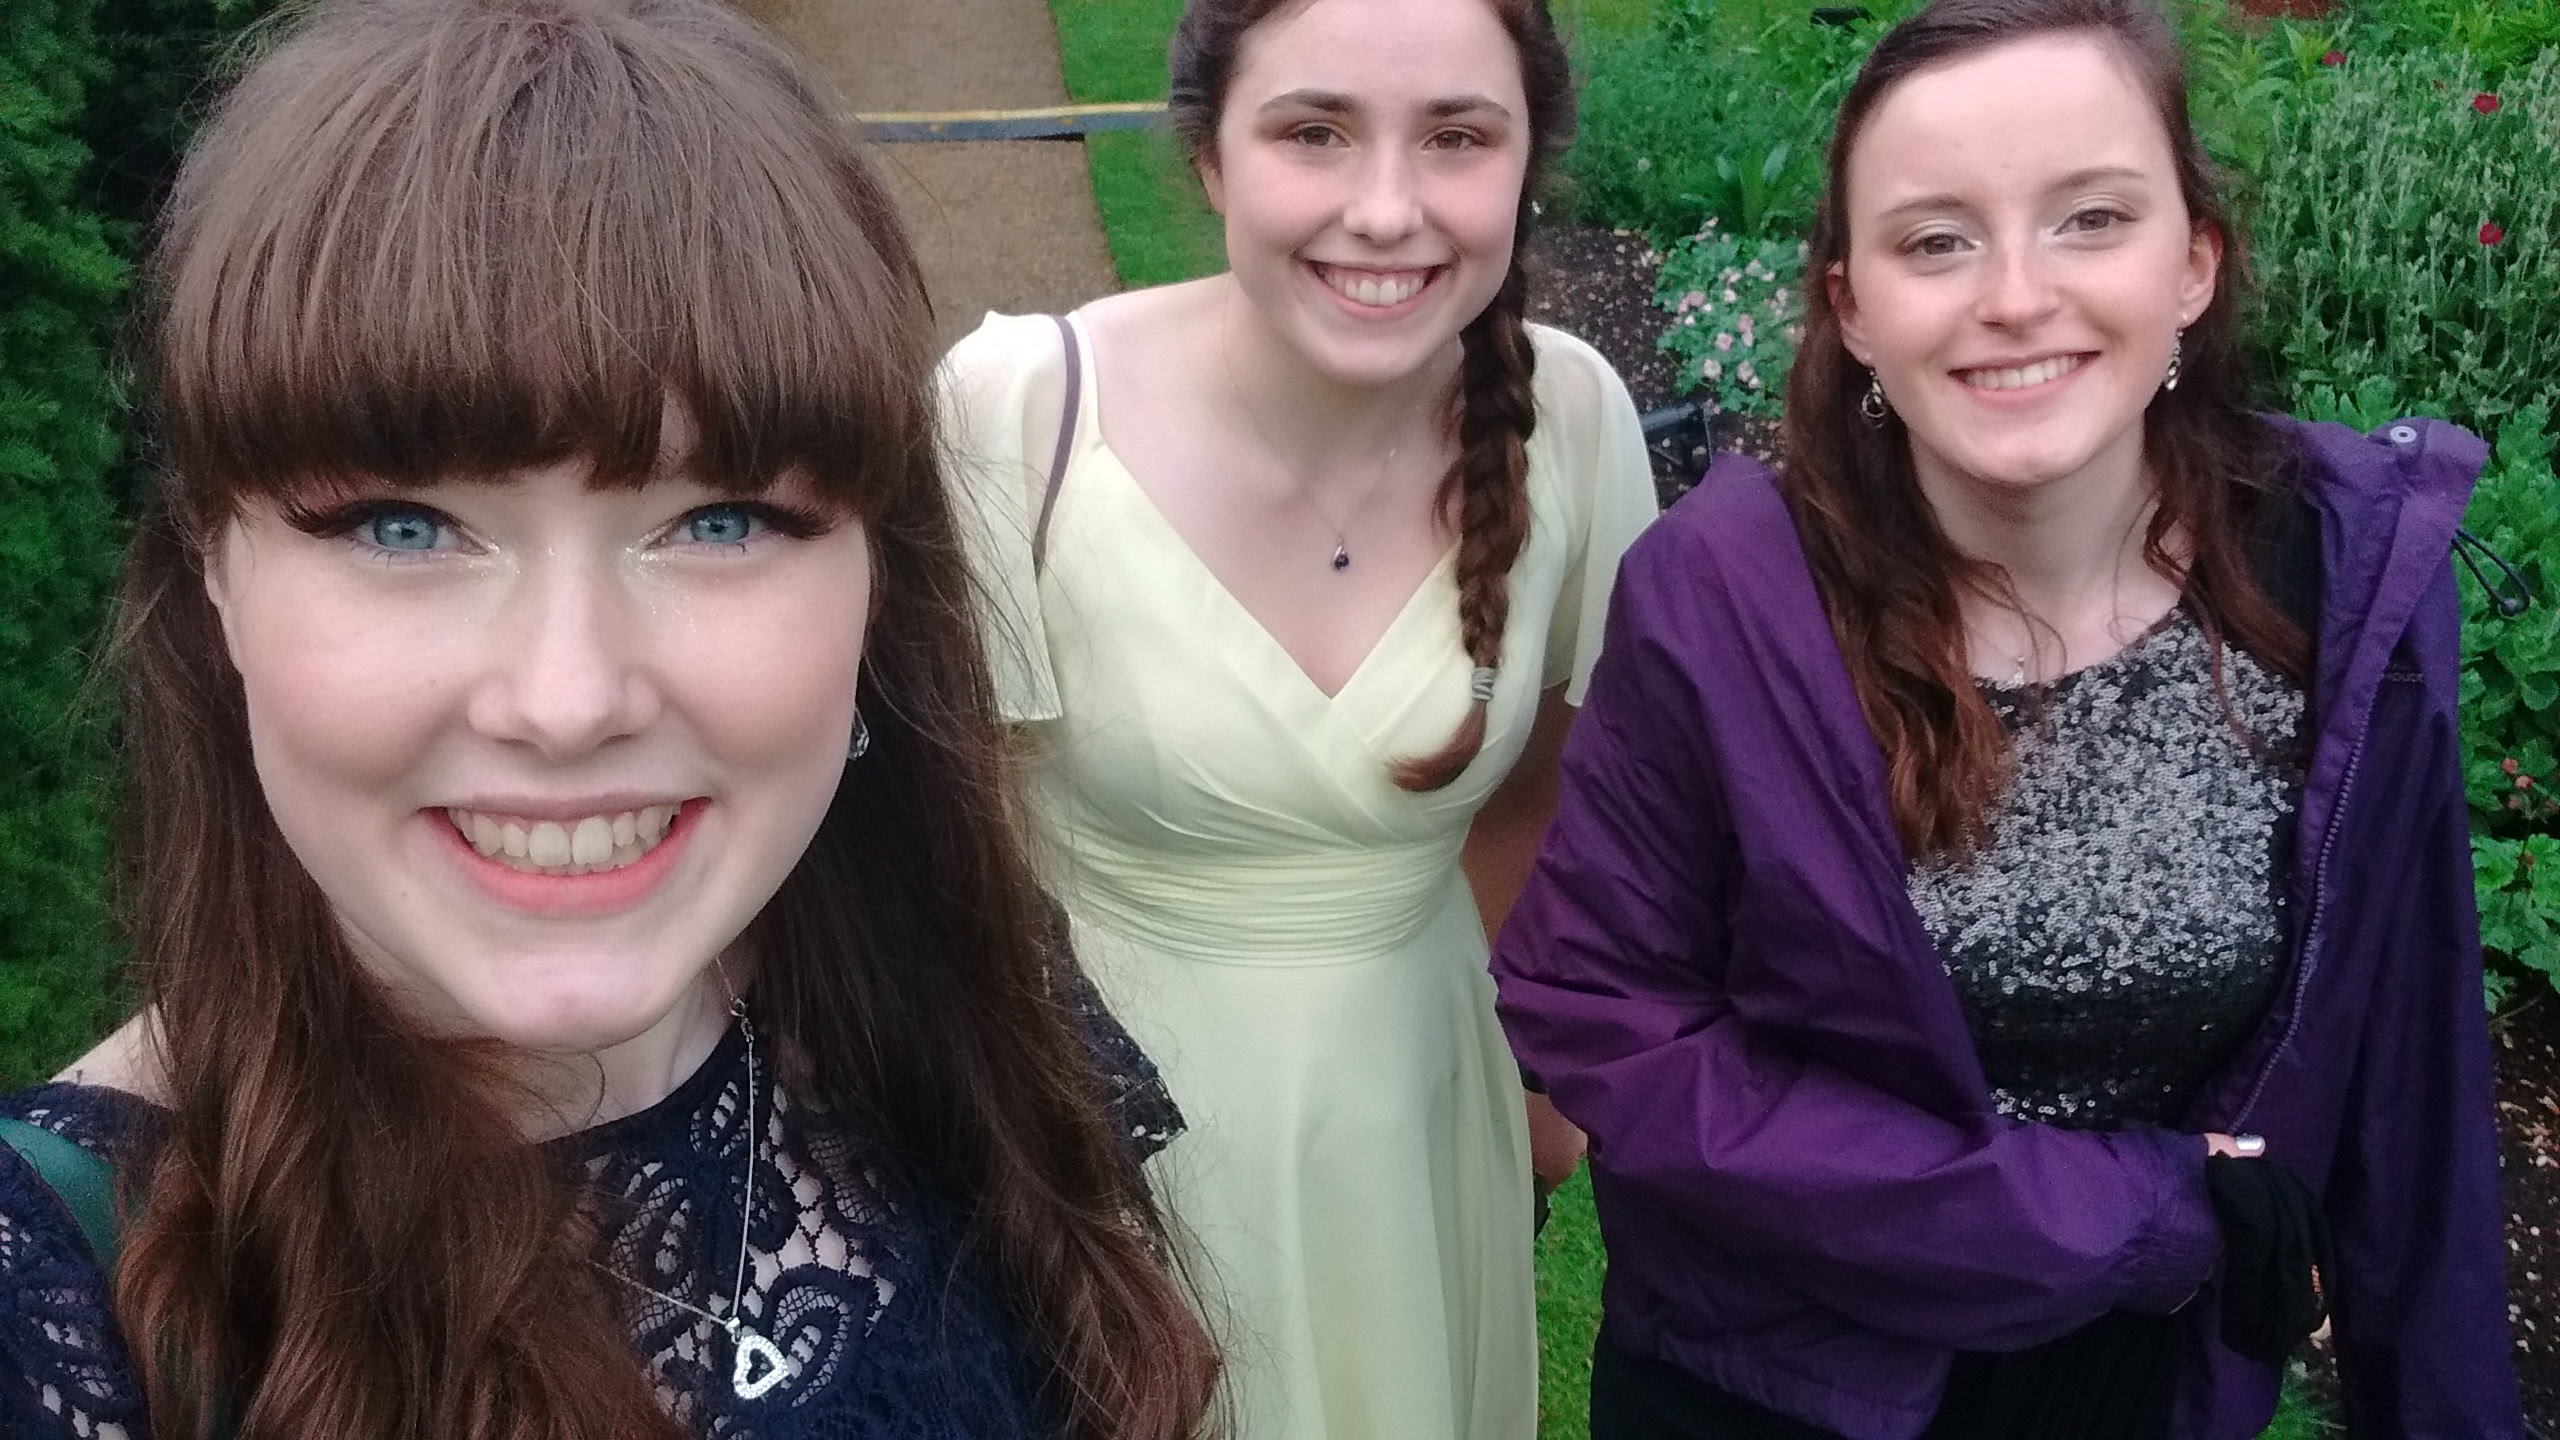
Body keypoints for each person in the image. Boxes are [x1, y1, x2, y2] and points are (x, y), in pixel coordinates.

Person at [0, 2, 1220, 1437]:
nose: (569, 701)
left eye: (720, 521)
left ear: (878, 579)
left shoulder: (978, 1025)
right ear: (212, 567)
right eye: (404, 527)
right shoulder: (56, 1310)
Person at [1490, 1, 2523, 1437]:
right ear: (1853, 306)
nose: (2017, 296)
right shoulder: (1726, 602)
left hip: (2147, 1391)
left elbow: (2414, 1085)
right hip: (1778, 1377)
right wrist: (2094, 1212)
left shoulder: (2341, 589)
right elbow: (1606, 1015)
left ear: (2194, 263)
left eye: (2092, 219)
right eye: (1936, 240)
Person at [936, 0, 1656, 1434]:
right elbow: (942, 847)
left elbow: (1553, 788)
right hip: (1109, 1139)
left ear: (1527, 160)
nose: (1385, 209)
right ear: (1210, 156)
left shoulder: (1569, 417)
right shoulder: (1021, 412)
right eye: (1314, 131)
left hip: (1421, 1112)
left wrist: (1529, 1100)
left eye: (1457, 137)